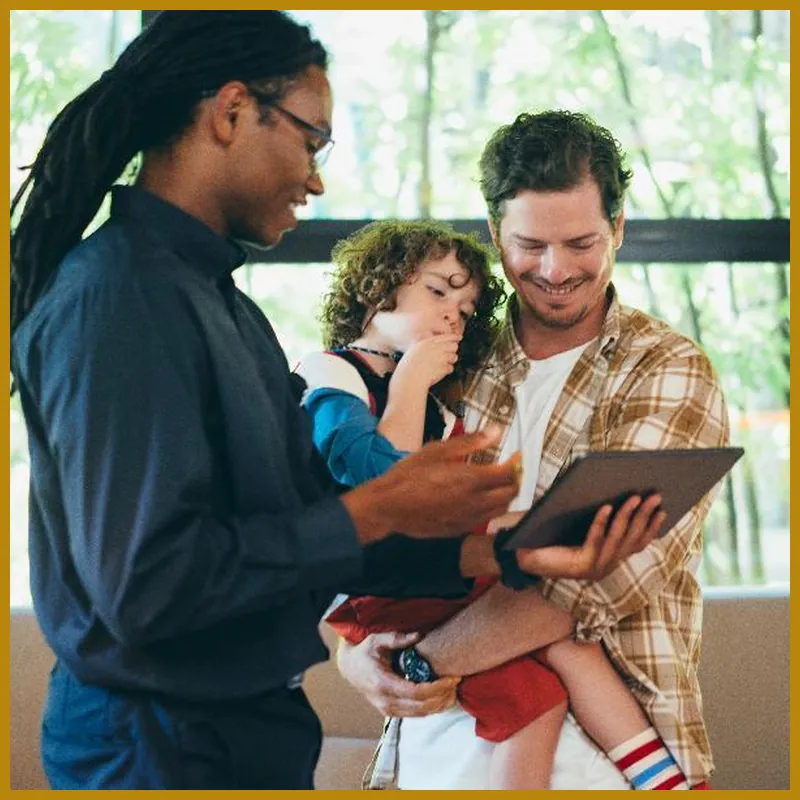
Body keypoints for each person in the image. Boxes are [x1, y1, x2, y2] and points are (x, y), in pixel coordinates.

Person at [8, 13, 661, 791]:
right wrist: (380, 504)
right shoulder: (117, 301)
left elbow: (298, 526)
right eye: (312, 141)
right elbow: (148, 588)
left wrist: (503, 553)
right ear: (231, 112)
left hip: (231, 739)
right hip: (158, 752)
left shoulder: (223, 309)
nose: (316, 179)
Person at [337, 111, 730, 790]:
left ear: (620, 227)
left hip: (607, 767)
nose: (555, 271)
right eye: (528, 246)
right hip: (432, 757)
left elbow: (583, 585)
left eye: (581, 242)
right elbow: (357, 536)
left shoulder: (667, 369)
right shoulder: (447, 362)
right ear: (494, 235)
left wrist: (418, 662)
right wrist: (353, 657)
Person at [297, 219, 682, 789]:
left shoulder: (441, 404)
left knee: (562, 662)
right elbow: (385, 488)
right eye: (438, 289)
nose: (454, 312)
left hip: (435, 576)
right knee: (539, 691)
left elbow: (455, 512)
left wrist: (533, 525)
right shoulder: (332, 372)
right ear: (376, 289)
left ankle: (667, 780)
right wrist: (406, 385)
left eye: (468, 305)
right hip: (383, 586)